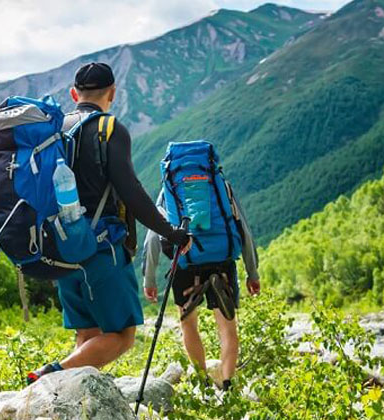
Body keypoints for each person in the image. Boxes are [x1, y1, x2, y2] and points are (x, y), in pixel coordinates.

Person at [26, 62, 191, 384]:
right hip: (101, 248)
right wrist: (170, 232)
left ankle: (72, 402)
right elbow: (131, 191)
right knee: (121, 336)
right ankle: (49, 376)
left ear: (74, 94)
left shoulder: (55, 132)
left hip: (61, 249)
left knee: (88, 335)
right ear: (112, 93)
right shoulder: (108, 128)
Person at [142, 188, 260, 391]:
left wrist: (149, 278)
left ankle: (204, 383)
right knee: (227, 329)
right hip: (221, 260)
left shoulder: (169, 186)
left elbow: (153, 235)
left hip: (186, 260)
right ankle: (228, 385)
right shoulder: (220, 183)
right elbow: (243, 228)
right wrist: (252, 272)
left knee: (188, 324)